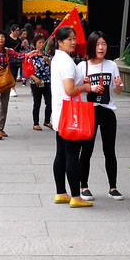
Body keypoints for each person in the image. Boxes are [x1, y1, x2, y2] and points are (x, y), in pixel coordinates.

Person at [51, 26, 100, 208]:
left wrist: (81, 82)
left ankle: (61, 192)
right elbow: (70, 90)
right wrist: (86, 88)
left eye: (74, 38)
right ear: (60, 41)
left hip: (60, 113)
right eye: (69, 39)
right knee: (72, 155)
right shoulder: (66, 62)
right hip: (71, 114)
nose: (73, 42)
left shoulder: (59, 59)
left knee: (61, 154)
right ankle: (75, 196)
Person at [77, 32, 124, 201]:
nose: (101, 48)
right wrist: (88, 87)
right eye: (97, 44)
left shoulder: (111, 65)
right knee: (86, 150)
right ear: (91, 46)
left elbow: (117, 91)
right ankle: (84, 186)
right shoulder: (83, 66)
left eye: (103, 44)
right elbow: (77, 91)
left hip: (107, 110)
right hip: (89, 111)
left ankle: (113, 187)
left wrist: (118, 85)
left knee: (109, 150)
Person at [28, 34, 52, 131]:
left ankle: (47, 121)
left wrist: (49, 62)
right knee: (37, 103)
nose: (41, 45)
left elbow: (53, 68)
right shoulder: (31, 56)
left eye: (43, 43)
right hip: (36, 82)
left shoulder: (47, 56)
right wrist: (34, 78)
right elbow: (27, 71)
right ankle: (36, 123)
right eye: (39, 43)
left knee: (49, 103)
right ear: (35, 44)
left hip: (46, 82)